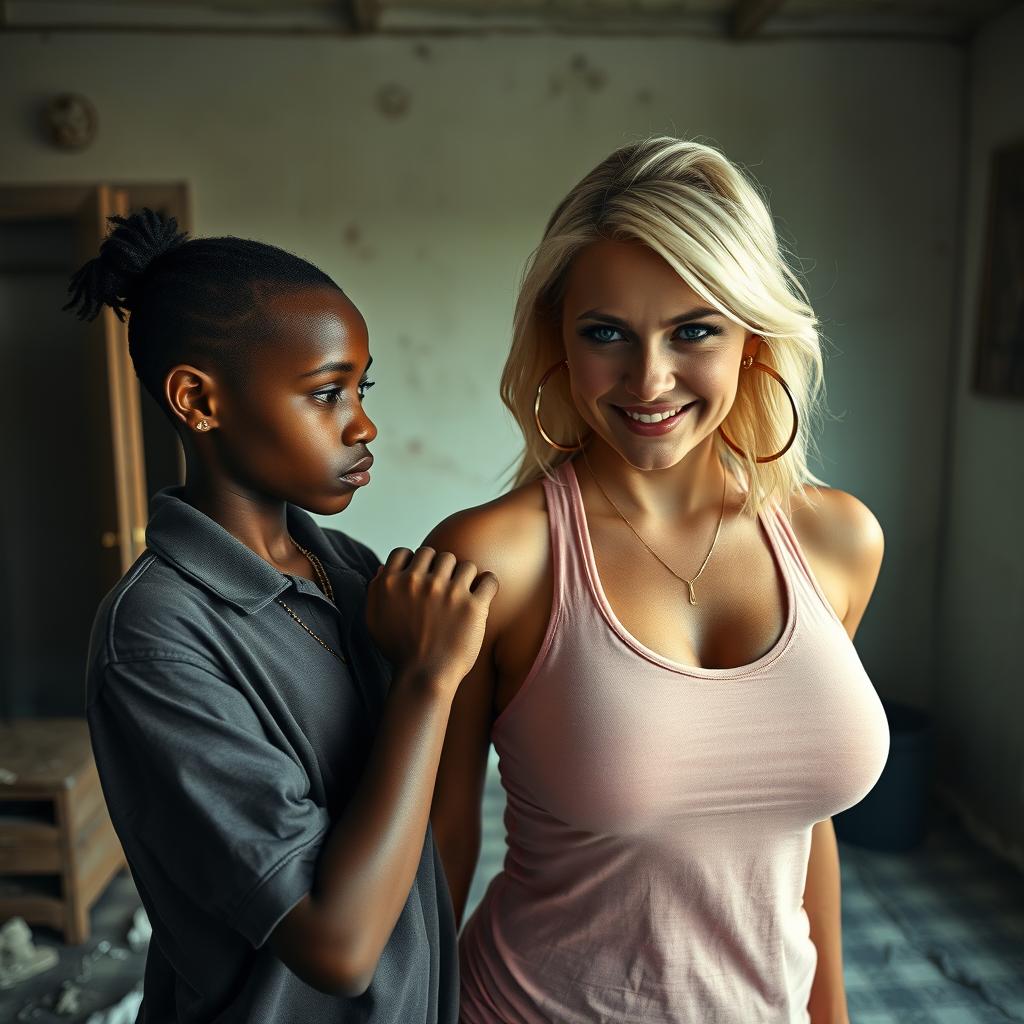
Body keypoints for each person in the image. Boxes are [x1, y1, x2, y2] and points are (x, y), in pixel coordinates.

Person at [427, 137, 891, 1023]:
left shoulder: (839, 540)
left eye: (694, 331)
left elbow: (798, 823)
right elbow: (441, 843)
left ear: (753, 336)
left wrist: (828, 1014)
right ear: (558, 341)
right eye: (606, 333)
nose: (649, 379)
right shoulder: (498, 559)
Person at [67, 210, 498, 1024]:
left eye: (362, 389)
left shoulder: (349, 569)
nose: (363, 424)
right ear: (198, 400)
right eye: (327, 392)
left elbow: (418, 843)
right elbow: (337, 949)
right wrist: (426, 680)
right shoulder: (156, 640)